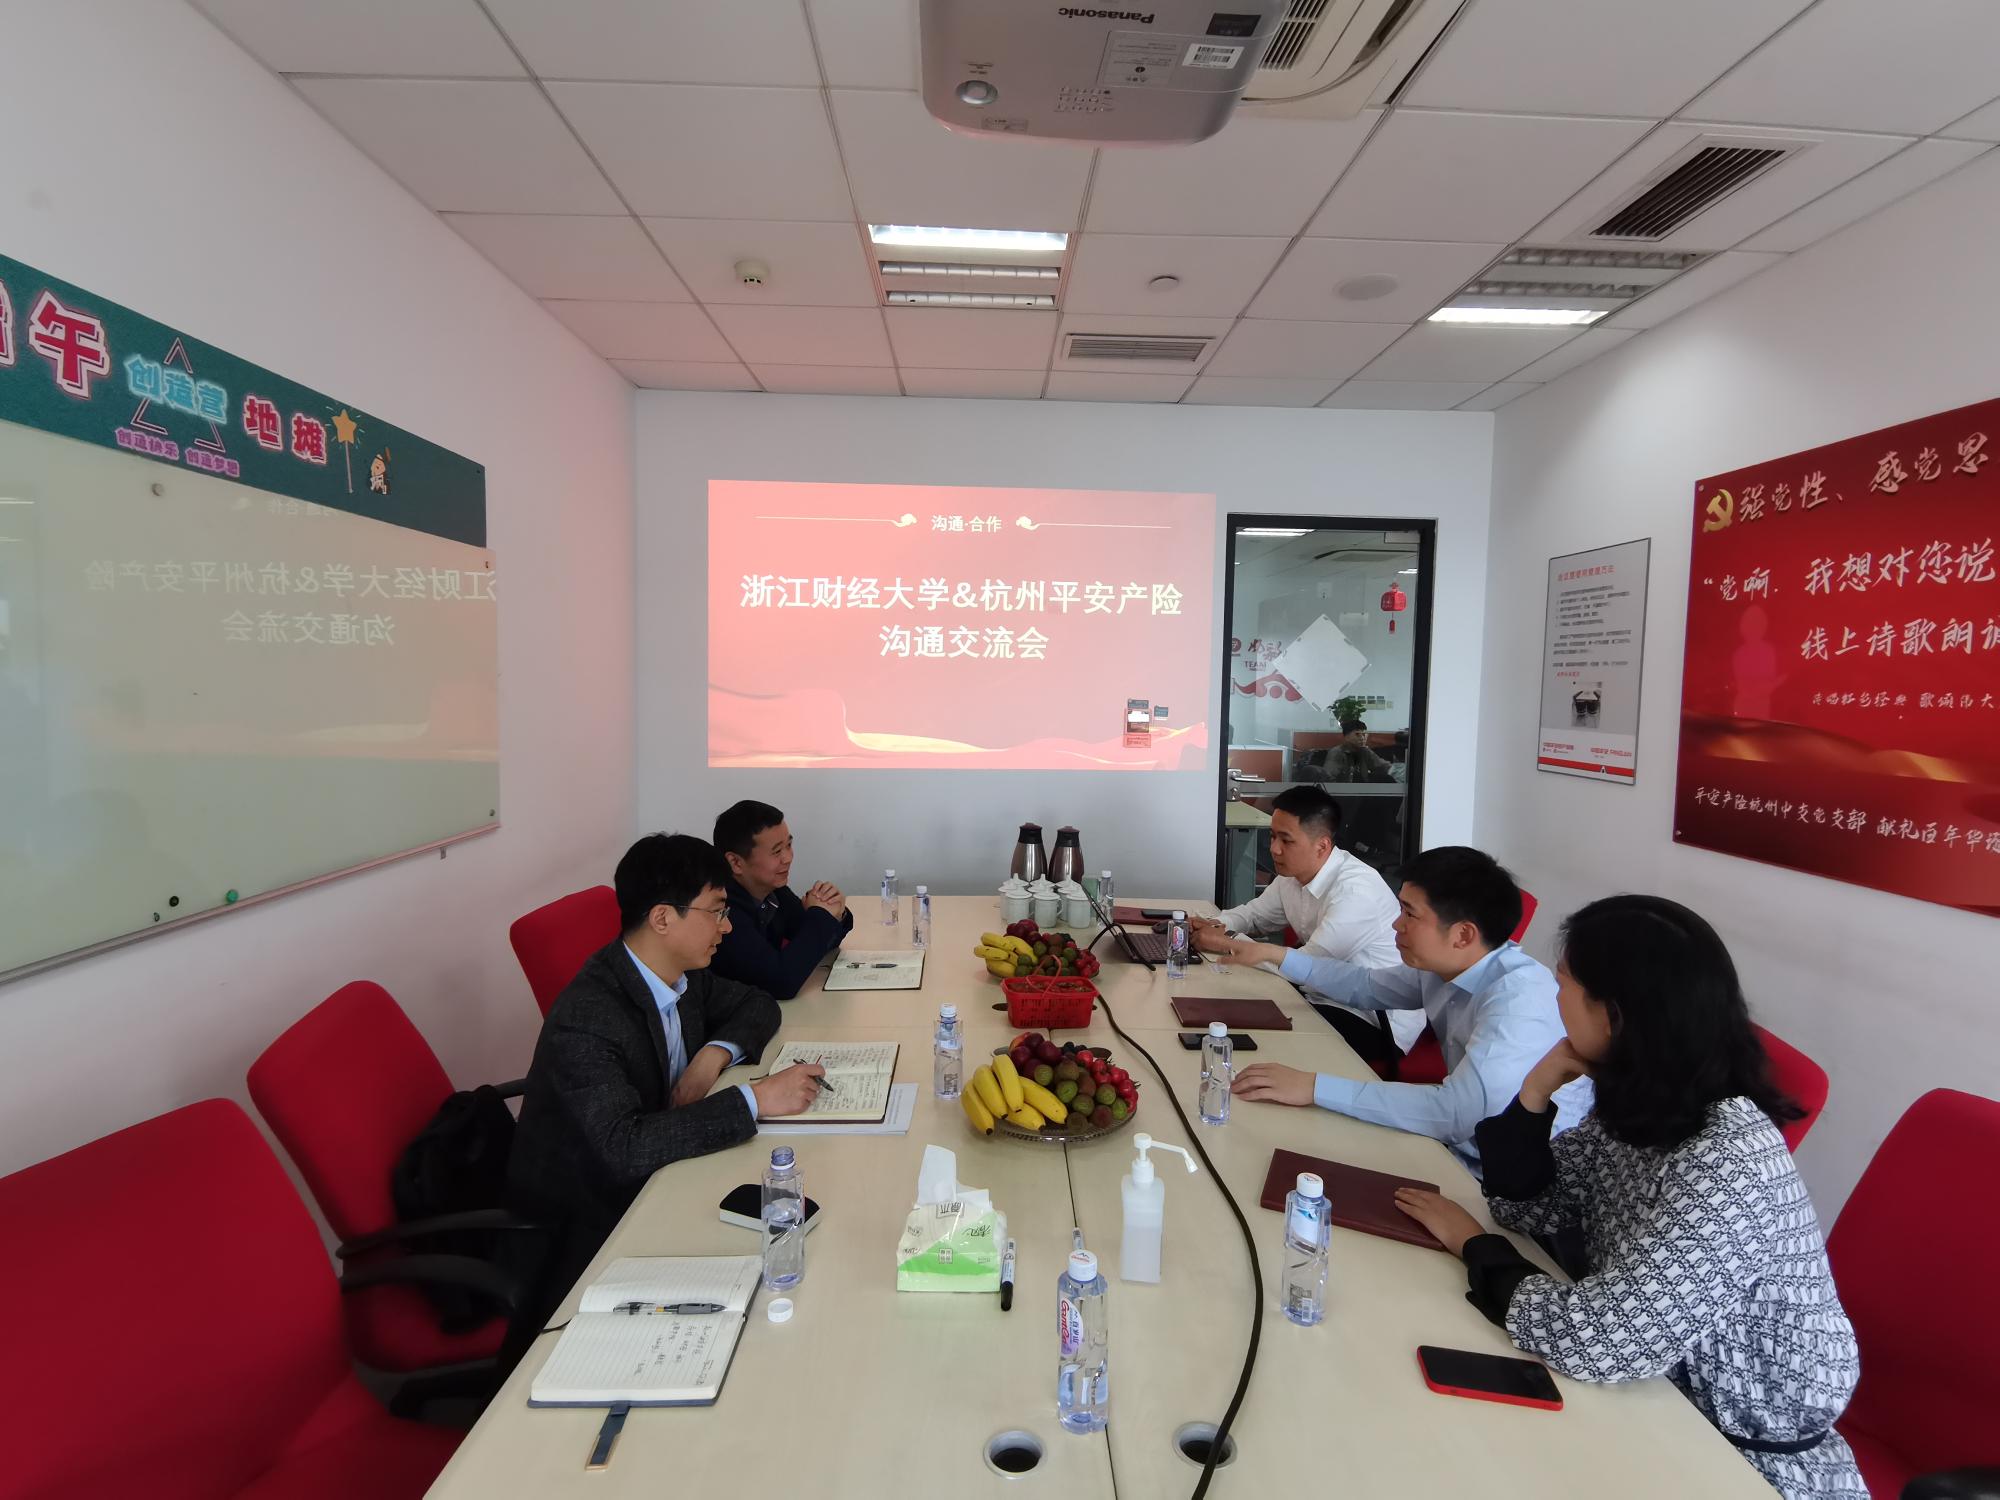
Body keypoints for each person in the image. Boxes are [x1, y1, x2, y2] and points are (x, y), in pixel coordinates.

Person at [1392, 896, 1863, 1500]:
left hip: (1741, 1464)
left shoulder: (1726, 1157)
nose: (1554, 998)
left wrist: (1473, 1245)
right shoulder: (1647, 1107)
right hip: (1649, 1404)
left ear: (1613, 1015)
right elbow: (1528, 1207)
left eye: (1564, 983)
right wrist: (1536, 1090)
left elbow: (1598, 1340)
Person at [503, 833, 827, 1362]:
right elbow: (624, 1148)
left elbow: (758, 1004)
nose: (727, 927)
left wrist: (712, 1055)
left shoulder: (677, 974)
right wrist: (755, 1100)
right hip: (588, 1224)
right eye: (717, 911)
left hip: (661, 1173)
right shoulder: (589, 1016)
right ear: (661, 919)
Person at [1217, 846, 1589, 1171]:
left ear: (1463, 934)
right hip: (1466, 1147)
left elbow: (1455, 1113)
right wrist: (1274, 954)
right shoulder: (1446, 964)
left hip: (1525, 1174)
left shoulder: (1518, 1001)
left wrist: (1314, 1087)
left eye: (1410, 914)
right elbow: (1364, 986)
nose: (1397, 924)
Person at [1191, 787, 1406, 1057]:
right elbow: (1253, 915)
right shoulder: (1292, 875)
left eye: (1286, 840)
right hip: (1315, 996)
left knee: (1255, 1037)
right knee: (1224, 1006)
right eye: (1272, 836)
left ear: (1322, 846)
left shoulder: (1356, 891)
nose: (1274, 849)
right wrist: (1214, 923)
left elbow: (1307, 967)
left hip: (1371, 1018)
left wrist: (1227, 942)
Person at [708, 799, 853, 999]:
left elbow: (822, 942)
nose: (788, 858)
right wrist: (820, 916)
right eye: (777, 851)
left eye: (789, 845)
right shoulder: (723, 911)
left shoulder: (773, 891)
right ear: (735, 862)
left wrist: (834, 910)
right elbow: (781, 982)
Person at [1325, 717, 1393, 783]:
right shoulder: (1337, 753)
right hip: (1341, 789)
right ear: (1346, 737)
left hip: (1363, 789)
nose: (1362, 738)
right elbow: (1328, 778)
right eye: (1357, 734)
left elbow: (1385, 767)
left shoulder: (1365, 751)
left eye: (1363, 735)